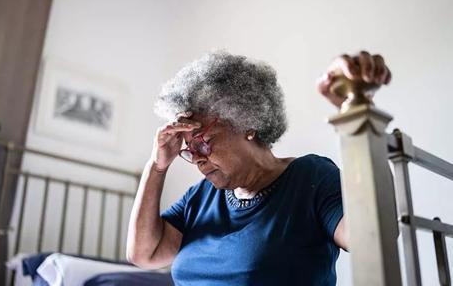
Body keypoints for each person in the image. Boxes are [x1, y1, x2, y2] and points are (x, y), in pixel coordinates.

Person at [126, 50, 392, 285]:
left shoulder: (311, 178)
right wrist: (157, 166)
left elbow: (371, 235)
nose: (196, 159)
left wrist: (355, 110)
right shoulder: (201, 197)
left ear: (247, 123)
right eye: (189, 149)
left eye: (204, 143)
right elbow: (144, 254)